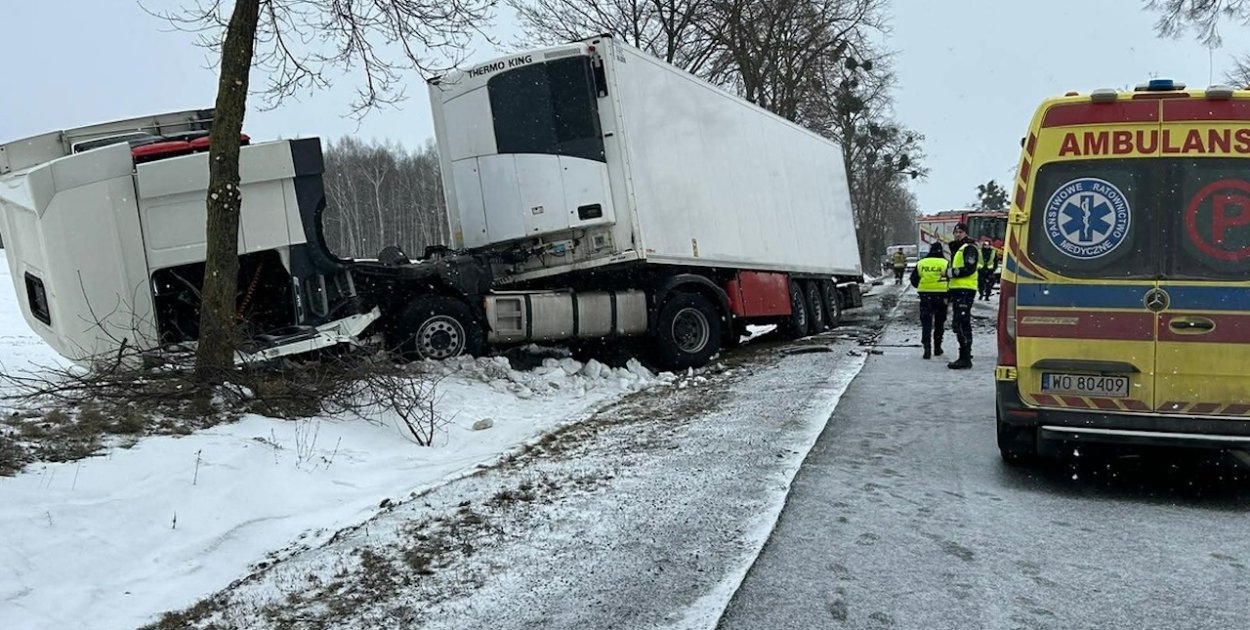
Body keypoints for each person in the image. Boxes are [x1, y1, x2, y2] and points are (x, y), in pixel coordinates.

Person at [945, 223, 979, 369]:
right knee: (960, 323)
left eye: (960, 232)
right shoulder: (957, 249)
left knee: (961, 323)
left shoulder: (969, 248)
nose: (957, 234)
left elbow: (969, 269)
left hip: (965, 290)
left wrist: (950, 272)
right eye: (955, 232)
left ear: (965, 233)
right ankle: (965, 354)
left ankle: (965, 357)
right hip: (958, 290)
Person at [909, 241, 948, 359]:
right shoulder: (945, 263)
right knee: (939, 322)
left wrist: (922, 287)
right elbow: (951, 278)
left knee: (926, 322)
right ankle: (937, 347)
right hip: (941, 295)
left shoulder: (922, 263)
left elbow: (914, 279)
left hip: (925, 295)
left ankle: (927, 348)